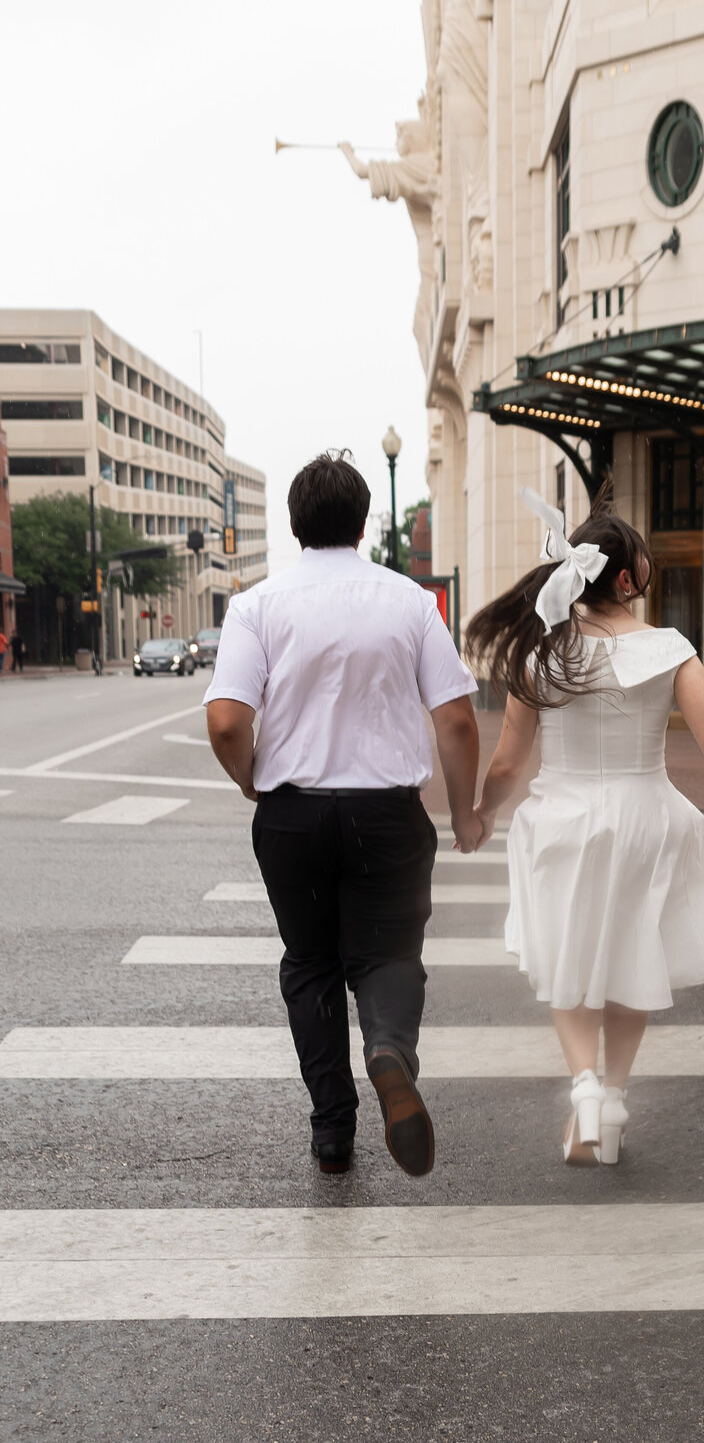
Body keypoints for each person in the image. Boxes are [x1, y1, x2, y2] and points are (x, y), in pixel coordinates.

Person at [464, 488, 704, 1166]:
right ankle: (617, 1098)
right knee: (633, 954)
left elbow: (509, 764)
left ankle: (586, 1090)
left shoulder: (542, 652)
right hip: (645, 818)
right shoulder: (670, 650)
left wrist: (480, 816)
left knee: (570, 959)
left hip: (562, 820)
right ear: (626, 579)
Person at [204, 451, 481, 1179]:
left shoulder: (258, 605)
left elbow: (228, 720)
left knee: (311, 965)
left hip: (292, 816)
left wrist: (251, 782)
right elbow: (455, 718)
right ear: (363, 522)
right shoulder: (411, 602)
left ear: (295, 525)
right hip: (388, 813)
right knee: (388, 956)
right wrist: (466, 815)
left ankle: (332, 1131)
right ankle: (389, 1048)